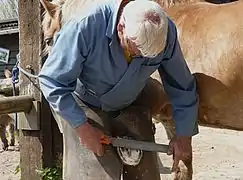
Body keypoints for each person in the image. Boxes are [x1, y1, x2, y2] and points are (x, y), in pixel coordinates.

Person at [38, 0, 199, 179]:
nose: (139, 57)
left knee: (146, 174)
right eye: (136, 51)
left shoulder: (164, 30)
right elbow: (51, 80)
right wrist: (82, 127)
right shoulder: (85, 24)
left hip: (131, 100)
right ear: (121, 28)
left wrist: (184, 137)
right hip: (85, 104)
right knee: (95, 174)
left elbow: (182, 86)